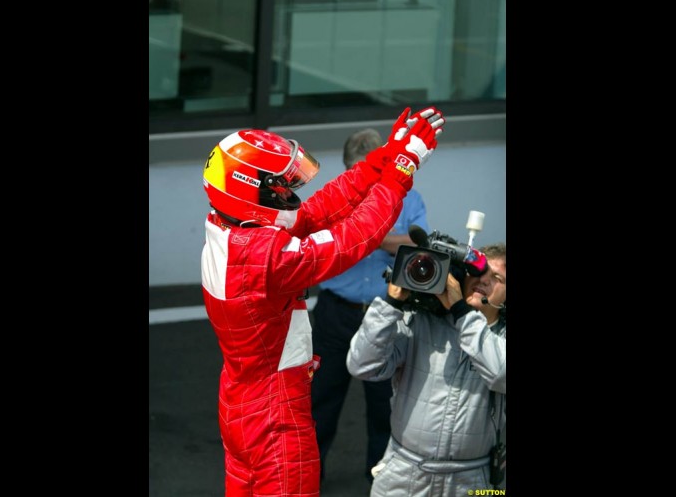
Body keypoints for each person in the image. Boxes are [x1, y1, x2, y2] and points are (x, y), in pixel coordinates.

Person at [200, 106, 445, 496]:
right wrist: (400, 173)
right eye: (279, 186)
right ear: (250, 187)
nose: (288, 193)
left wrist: (380, 162)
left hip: (242, 400)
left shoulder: (232, 228)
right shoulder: (264, 256)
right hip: (274, 412)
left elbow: (318, 212)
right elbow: (353, 238)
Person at [310, 127, 430, 484]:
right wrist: (381, 239)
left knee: (384, 405)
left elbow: (417, 243)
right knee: (320, 400)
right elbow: (322, 239)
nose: (364, 180)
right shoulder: (336, 197)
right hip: (335, 311)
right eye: (355, 171)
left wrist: (370, 236)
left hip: (386, 313)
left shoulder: (410, 198)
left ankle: (381, 481)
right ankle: (308, 480)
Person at [346, 243, 506, 496]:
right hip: (403, 469)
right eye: (478, 271)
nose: (483, 280)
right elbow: (362, 366)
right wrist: (391, 304)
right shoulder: (421, 319)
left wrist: (461, 313)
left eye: (497, 278)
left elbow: (500, 373)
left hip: (474, 480)